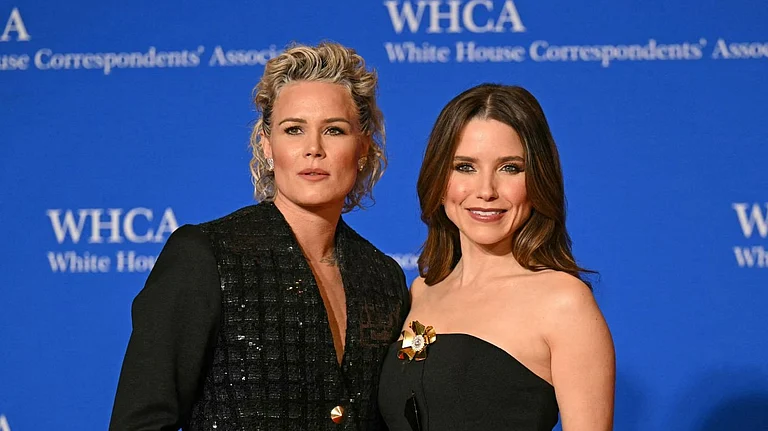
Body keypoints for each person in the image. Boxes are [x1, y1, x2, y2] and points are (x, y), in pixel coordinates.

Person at [109, 42, 410, 431]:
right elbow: (142, 421)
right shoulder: (207, 255)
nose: (313, 150)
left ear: (363, 148)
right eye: (294, 130)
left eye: (334, 130)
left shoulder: (383, 276)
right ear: (267, 146)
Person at [378, 84, 615, 431]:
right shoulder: (421, 291)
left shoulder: (564, 303)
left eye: (510, 168)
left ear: (538, 179)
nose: (486, 191)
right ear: (439, 178)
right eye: (465, 167)